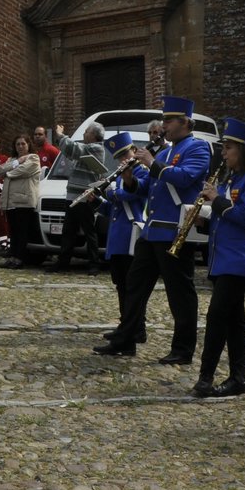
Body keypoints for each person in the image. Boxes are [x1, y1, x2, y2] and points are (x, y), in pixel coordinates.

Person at [114, 97, 212, 364]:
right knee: (135, 284)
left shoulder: (198, 148)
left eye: (169, 121)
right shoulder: (165, 153)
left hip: (175, 231)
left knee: (179, 293)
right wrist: (130, 179)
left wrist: (152, 164)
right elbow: (148, 190)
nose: (164, 126)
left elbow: (185, 178)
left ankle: (183, 349)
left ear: (184, 122)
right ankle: (127, 337)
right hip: (152, 231)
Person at [191, 119, 245, 399]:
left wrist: (216, 200)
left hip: (239, 259)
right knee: (234, 320)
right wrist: (203, 217)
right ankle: (239, 378)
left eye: (228, 148)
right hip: (223, 257)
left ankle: (205, 378)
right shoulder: (232, 179)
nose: (223, 154)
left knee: (217, 317)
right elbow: (225, 217)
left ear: (242, 150)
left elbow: (242, 217)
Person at [95, 134, 146, 354]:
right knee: (121, 286)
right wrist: (96, 200)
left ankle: (131, 334)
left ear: (134, 151)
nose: (123, 160)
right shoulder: (119, 176)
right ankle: (126, 329)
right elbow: (112, 208)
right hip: (117, 237)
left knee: (131, 287)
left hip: (131, 236)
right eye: (119, 157)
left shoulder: (141, 172)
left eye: (125, 154)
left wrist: (112, 191)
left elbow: (131, 196)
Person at [46, 123, 110, 273]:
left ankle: (94, 264)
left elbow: (75, 150)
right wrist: (64, 142)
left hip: (85, 196)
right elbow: (69, 151)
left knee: (89, 232)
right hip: (73, 196)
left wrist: (61, 135)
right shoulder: (89, 148)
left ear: (94, 135)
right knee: (68, 231)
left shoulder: (96, 148)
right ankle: (63, 263)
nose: (84, 134)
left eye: (86, 132)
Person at [0, 135, 42, 267]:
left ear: (28, 145)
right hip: (11, 201)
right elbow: (0, 169)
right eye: (18, 144)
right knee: (13, 231)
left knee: (22, 231)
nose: (20, 146)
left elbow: (23, 171)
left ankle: (20, 258)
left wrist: (8, 173)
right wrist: (17, 162)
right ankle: (12, 256)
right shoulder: (12, 159)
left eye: (23, 144)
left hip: (24, 200)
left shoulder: (33, 158)